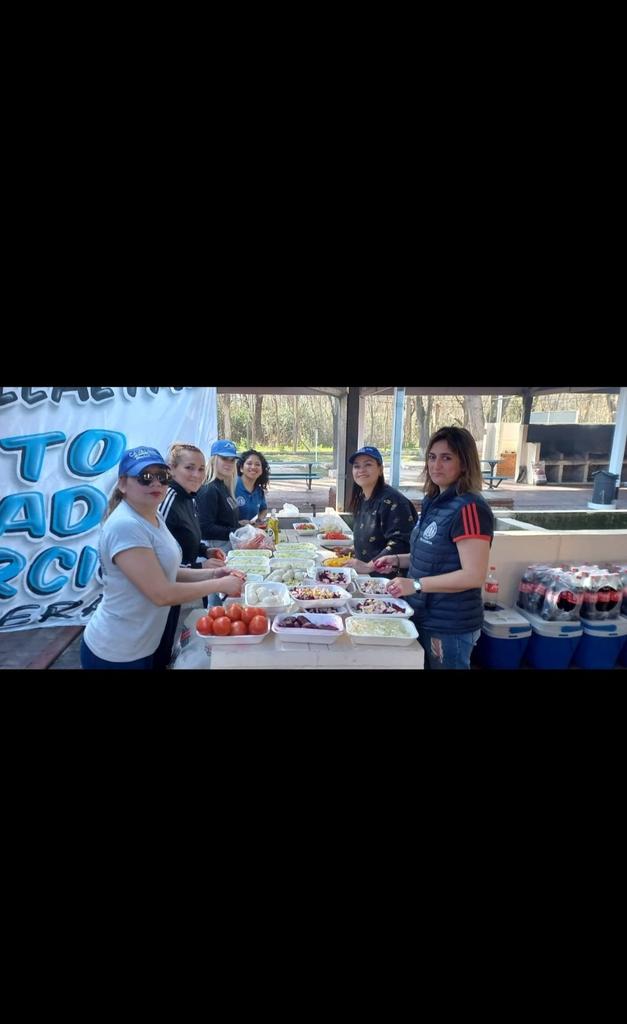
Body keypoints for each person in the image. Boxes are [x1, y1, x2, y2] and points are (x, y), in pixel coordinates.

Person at [80, 446, 245, 670]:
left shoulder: (152, 514)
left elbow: (164, 570)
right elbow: (161, 593)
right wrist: (218, 584)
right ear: (122, 483)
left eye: (162, 476)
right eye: (145, 477)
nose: (156, 483)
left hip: (143, 644)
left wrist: (212, 572)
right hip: (117, 651)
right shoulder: (125, 525)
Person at [374, 427, 494, 670]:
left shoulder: (469, 508)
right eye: (432, 457)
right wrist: (397, 560)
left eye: (446, 458)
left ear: (464, 463)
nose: (436, 465)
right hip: (423, 614)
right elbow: (431, 555)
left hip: (450, 624)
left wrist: (416, 585)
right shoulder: (433, 501)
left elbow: (473, 575)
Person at [153, 442, 231, 671]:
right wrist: (200, 565)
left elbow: (188, 537)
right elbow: (162, 553)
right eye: (189, 468)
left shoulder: (189, 497)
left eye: (200, 468)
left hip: (178, 586)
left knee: (167, 641)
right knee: (156, 645)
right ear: (171, 469)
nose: (197, 474)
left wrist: (203, 551)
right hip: (163, 588)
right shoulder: (166, 501)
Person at [343, 446, 418, 577]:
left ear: (380, 469)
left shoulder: (393, 501)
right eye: (356, 466)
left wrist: (368, 566)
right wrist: (355, 549)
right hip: (365, 576)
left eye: (368, 464)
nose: (361, 470)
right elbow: (374, 536)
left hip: (388, 582)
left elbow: (400, 543)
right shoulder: (362, 498)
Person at [195, 439, 242, 552]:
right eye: (224, 458)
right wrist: (238, 532)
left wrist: (241, 527)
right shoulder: (208, 489)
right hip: (215, 550)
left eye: (232, 460)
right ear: (214, 459)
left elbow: (224, 520)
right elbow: (205, 529)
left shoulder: (223, 486)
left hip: (226, 546)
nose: (229, 463)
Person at [236, 449, 270, 527]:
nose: (253, 467)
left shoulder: (259, 491)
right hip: (229, 535)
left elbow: (264, 509)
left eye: (257, 464)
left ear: (262, 470)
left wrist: (259, 520)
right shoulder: (231, 485)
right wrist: (237, 523)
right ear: (241, 468)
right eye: (249, 463)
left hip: (249, 534)